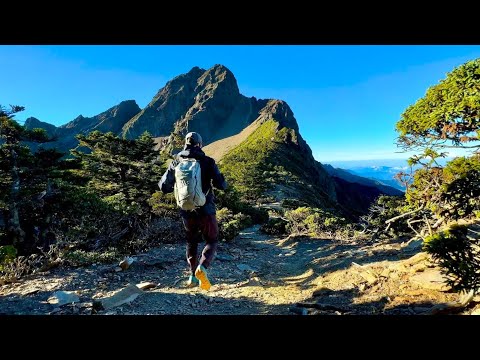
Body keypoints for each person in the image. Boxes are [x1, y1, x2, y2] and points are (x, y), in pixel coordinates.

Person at [159, 132, 227, 290]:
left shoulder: (176, 161)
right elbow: (221, 185)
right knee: (212, 240)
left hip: (186, 211)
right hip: (206, 210)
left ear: (185, 143)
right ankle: (202, 268)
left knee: (192, 242)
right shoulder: (207, 161)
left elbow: (163, 187)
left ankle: (192, 277)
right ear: (199, 144)